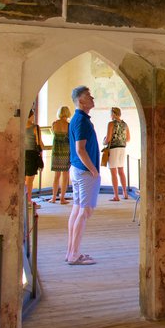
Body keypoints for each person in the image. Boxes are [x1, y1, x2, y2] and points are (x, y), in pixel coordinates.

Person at [67, 85, 100, 266]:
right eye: (88, 95)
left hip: (79, 170)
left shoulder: (79, 119)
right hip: (85, 171)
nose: (92, 97)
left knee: (78, 209)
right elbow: (80, 149)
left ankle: (71, 251)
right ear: (81, 101)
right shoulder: (80, 120)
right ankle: (74, 255)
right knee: (85, 211)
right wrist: (93, 170)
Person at [104, 107, 130, 201]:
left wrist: (104, 141)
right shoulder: (125, 124)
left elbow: (108, 139)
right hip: (122, 148)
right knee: (121, 171)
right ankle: (125, 193)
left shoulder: (111, 124)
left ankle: (116, 195)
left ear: (113, 114)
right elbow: (128, 139)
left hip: (114, 149)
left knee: (113, 173)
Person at [23, 108, 46, 209]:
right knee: (29, 181)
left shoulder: (20, 126)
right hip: (31, 155)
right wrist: (41, 155)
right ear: (31, 115)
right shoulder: (35, 127)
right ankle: (28, 201)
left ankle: (23, 201)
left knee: (22, 180)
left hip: (21, 154)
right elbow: (39, 143)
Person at [49, 106, 71, 205]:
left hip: (56, 151)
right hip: (66, 151)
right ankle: (62, 198)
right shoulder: (69, 125)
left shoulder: (54, 124)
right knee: (65, 175)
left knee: (56, 175)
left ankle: (53, 197)